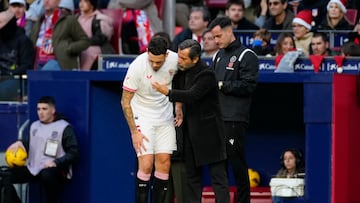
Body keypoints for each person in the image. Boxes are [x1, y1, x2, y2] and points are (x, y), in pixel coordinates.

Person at [152, 39, 230, 203]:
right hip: (190, 133)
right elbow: (181, 90)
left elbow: (192, 95)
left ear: (195, 59)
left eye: (183, 58)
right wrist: (178, 106)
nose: (179, 61)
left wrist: (167, 92)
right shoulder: (181, 71)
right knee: (191, 180)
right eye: (179, 56)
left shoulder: (207, 74)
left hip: (210, 135)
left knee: (218, 179)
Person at [121, 36, 178, 203]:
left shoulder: (175, 60)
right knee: (146, 164)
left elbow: (183, 81)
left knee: (164, 163)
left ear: (166, 56)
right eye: (151, 61)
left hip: (165, 116)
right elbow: (125, 102)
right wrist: (134, 133)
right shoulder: (137, 66)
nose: (154, 65)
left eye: (158, 62)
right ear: (147, 52)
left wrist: (179, 106)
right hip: (142, 116)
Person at [208, 17, 259, 203]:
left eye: (219, 36)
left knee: (237, 164)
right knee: (218, 167)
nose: (216, 41)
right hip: (216, 118)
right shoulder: (217, 56)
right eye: (214, 37)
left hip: (235, 118)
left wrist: (222, 85)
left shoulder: (247, 55)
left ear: (230, 31)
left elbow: (248, 86)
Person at [5, 96, 80, 203]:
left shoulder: (64, 128)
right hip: (34, 168)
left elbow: (74, 153)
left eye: (44, 109)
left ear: (53, 110)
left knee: (47, 175)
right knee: (5, 176)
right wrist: (20, 142)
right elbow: (31, 144)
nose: (41, 112)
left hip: (55, 169)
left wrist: (56, 162)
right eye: (38, 109)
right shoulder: (34, 126)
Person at [30, 0, 90, 70]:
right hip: (38, 62)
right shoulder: (40, 20)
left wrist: (68, 48)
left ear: (59, 1)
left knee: (48, 69)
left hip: (58, 62)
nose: (47, 1)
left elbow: (85, 41)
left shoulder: (68, 20)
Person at [0, 15, 34, 100]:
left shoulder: (24, 41)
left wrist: (10, 74)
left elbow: (27, 66)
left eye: (1, 22)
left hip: (17, 79)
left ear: (8, 24)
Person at [77, 0, 115, 70]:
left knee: (88, 52)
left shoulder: (99, 19)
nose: (81, 4)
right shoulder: (77, 18)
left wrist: (83, 43)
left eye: (85, 1)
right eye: (80, 1)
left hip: (97, 47)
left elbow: (101, 38)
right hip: (81, 44)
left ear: (92, 5)